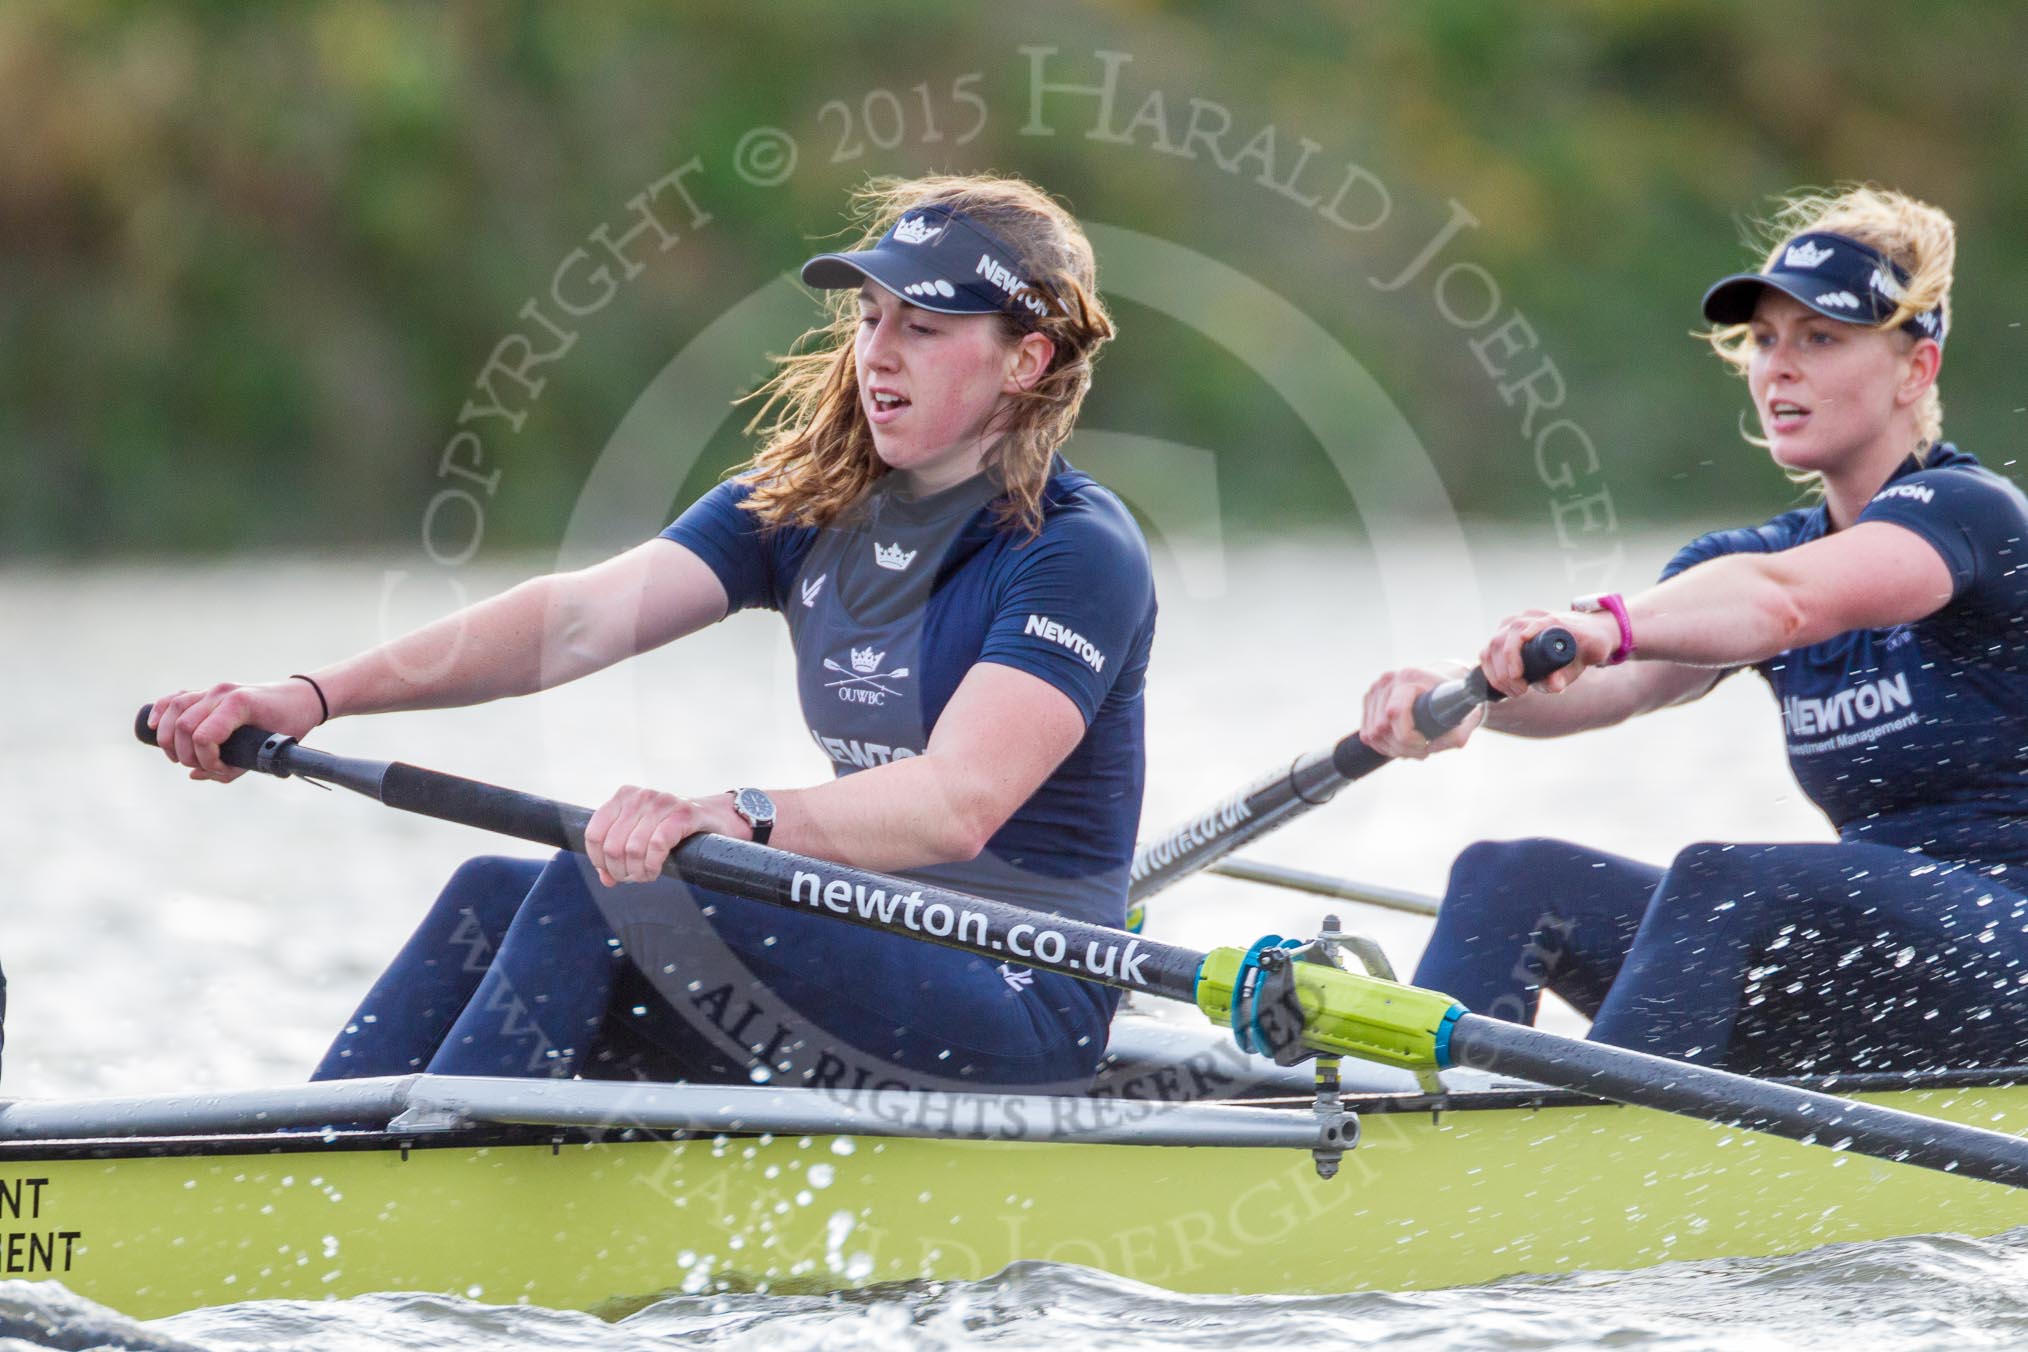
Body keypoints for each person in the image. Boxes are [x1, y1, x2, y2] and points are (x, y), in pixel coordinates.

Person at [148, 173, 1155, 1091]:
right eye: (867, 315)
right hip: (868, 953)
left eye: (924, 326)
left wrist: (735, 812)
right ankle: (309, 1154)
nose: (877, 352)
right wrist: (314, 695)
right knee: (489, 896)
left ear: (1026, 358)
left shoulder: (1074, 552)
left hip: (1020, 1004)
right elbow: (575, 619)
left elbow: (954, 802)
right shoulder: (808, 508)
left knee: (615, 885)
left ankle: (412, 1193)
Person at [1361, 184, 2028, 1075]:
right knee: (1512, 877)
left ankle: (1591, 1169)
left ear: (1916, 370)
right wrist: (1464, 696)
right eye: (1764, 341)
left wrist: (1603, 621)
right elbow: (1620, 680)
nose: (1778, 368)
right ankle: (1418, 1144)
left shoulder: (1969, 516)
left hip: (2006, 945)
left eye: (1819, 340)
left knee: (1725, 881)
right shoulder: (1753, 555)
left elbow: (1787, 603)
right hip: (1882, 963)